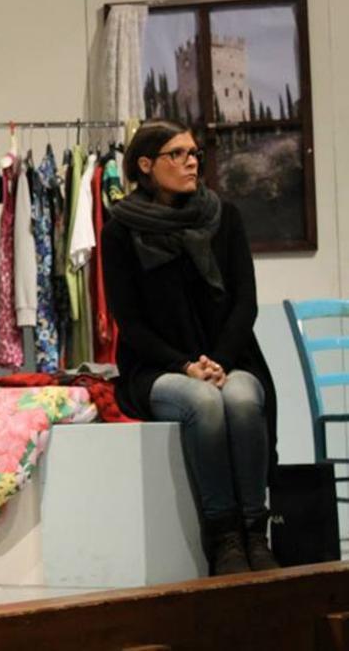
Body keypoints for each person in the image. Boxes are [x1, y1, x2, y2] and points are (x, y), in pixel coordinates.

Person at [102, 119, 280, 576]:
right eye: (177, 154)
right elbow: (129, 321)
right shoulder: (121, 230)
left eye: (194, 153)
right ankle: (223, 536)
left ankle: (255, 530)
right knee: (203, 402)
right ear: (146, 165)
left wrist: (218, 360)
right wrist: (184, 365)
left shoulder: (223, 216)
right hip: (158, 367)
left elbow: (245, 302)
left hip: (229, 359)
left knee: (242, 399)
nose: (191, 162)